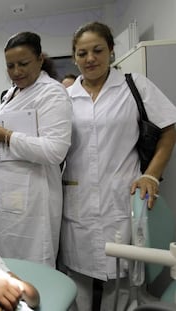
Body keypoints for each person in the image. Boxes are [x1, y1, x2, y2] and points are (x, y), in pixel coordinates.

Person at [60, 21, 176, 311]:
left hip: (122, 196)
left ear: (111, 51)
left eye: (97, 50)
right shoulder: (65, 97)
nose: (90, 59)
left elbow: (170, 129)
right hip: (77, 201)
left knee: (125, 283)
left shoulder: (133, 85)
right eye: (82, 53)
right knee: (77, 282)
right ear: (74, 57)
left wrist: (152, 175)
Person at [0, 31, 72, 268]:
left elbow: (55, 151)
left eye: (23, 64)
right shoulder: (13, 93)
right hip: (5, 199)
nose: (16, 72)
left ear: (40, 59)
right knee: (6, 267)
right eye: (10, 66)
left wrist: (6, 136)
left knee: (33, 267)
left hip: (32, 202)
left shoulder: (51, 93)